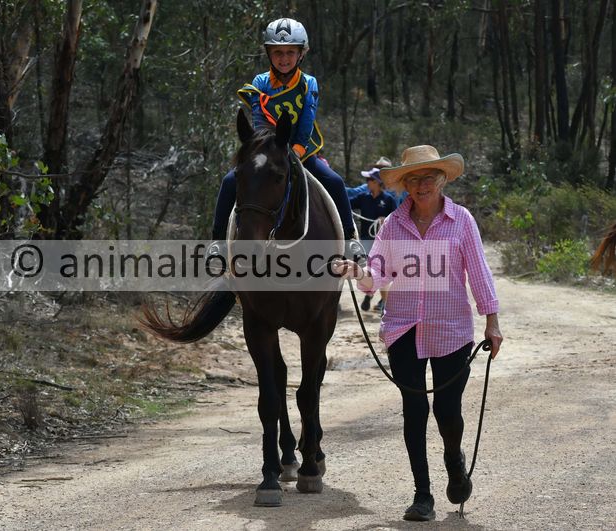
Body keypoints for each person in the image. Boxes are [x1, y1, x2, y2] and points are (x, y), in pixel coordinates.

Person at [332, 145, 504, 522]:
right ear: (405, 185)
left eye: (428, 178)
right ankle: (422, 494)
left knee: (446, 410)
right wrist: (357, 272)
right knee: (414, 410)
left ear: (441, 180)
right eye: (413, 179)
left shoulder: (461, 221)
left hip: (451, 329)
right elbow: (378, 274)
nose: (421, 185)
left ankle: (454, 462)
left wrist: (492, 321)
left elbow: (479, 272)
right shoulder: (393, 225)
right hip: (403, 328)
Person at [210, 18, 357, 257]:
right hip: (268, 151)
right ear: (269, 53)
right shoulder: (260, 82)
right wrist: (269, 150)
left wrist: (295, 151)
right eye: (278, 52)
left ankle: (351, 241)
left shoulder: (308, 83)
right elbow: (259, 120)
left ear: (301, 54)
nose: (284, 58)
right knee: (229, 182)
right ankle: (217, 244)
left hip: (301, 151)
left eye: (290, 52)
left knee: (335, 181)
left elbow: (306, 123)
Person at [349, 161, 397, 312]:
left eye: (369, 179)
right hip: (365, 241)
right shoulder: (363, 197)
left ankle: (382, 304)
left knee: (381, 272)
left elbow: (397, 219)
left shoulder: (388, 200)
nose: (367, 182)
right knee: (370, 271)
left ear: (376, 182)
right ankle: (372, 296)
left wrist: (385, 220)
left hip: (383, 244)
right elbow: (347, 204)